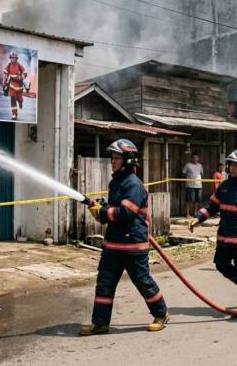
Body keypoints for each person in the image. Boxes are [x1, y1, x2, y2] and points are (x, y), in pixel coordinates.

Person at [81, 139, 169, 336]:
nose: (112, 161)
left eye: (117, 158)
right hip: (113, 244)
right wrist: (99, 209)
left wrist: (103, 212)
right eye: (112, 158)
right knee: (105, 283)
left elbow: (127, 213)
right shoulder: (116, 182)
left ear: (128, 160)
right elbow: (114, 209)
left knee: (142, 281)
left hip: (133, 245)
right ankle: (100, 323)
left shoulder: (134, 184)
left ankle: (161, 314)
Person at [189, 149, 237, 312]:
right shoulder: (224, 186)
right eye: (230, 165)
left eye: (236, 165)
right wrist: (198, 218)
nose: (232, 168)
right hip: (224, 236)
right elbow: (212, 206)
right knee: (221, 264)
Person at [2, 50, 28, 121]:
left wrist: (21, 77)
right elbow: (5, 73)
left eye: (14, 58)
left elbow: (25, 73)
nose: (13, 59)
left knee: (19, 99)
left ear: (16, 58)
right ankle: (14, 114)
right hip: (12, 86)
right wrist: (5, 79)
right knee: (13, 99)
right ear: (10, 58)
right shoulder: (8, 65)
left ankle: (20, 102)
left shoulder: (19, 65)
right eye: (12, 58)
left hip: (19, 86)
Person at [182, 153, 203, 219]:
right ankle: (188, 214)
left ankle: (195, 213)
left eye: (197, 158)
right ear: (191, 158)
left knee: (197, 200)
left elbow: (201, 173)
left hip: (199, 185)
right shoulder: (188, 165)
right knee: (189, 200)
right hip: (190, 185)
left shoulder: (200, 165)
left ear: (198, 158)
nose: (195, 159)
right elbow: (183, 173)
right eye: (194, 157)